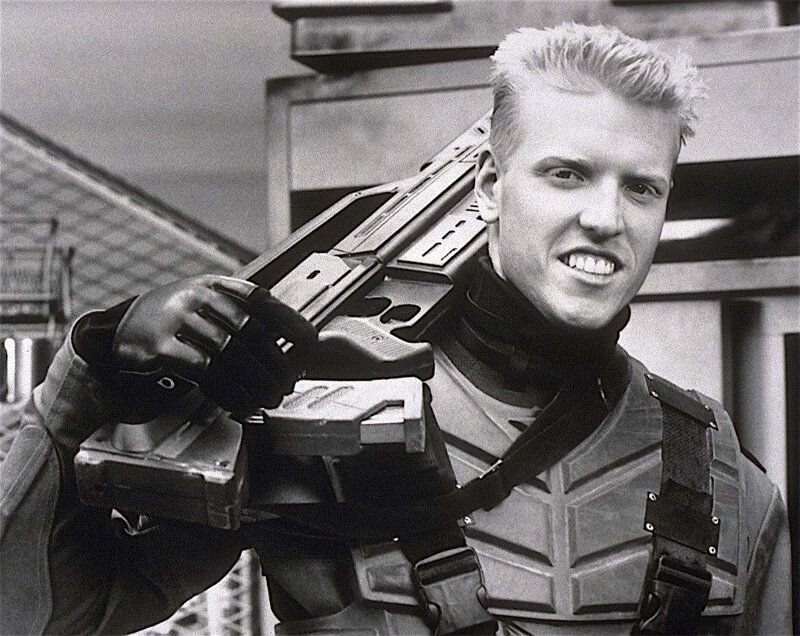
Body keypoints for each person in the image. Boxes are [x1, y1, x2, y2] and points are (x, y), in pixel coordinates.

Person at [0, 23, 791, 635]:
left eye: (642, 188)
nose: (605, 218)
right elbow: (38, 616)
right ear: (489, 184)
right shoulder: (303, 420)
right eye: (567, 173)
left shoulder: (717, 472)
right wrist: (93, 368)